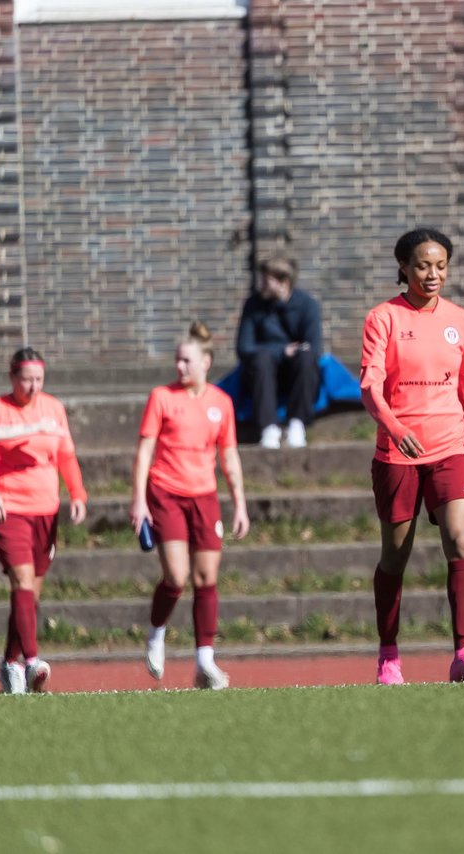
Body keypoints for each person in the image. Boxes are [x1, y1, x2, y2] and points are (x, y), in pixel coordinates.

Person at [361, 227, 464, 685]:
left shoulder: (460, 319)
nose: (432, 274)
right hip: (397, 454)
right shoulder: (383, 318)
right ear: (403, 267)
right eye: (422, 265)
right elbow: (369, 387)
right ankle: (389, 656)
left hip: (450, 446)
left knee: (460, 540)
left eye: (440, 265)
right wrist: (395, 429)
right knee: (395, 557)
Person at [131, 322, 250, 690]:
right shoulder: (161, 397)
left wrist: (240, 504)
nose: (179, 367)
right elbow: (145, 452)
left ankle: (204, 662)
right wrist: (138, 501)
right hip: (166, 494)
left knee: (207, 578)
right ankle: (156, 632)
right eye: (177, 360)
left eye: (186, 361)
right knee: (177, 577)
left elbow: (229, 458)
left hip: (204, 497)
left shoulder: (221, 403)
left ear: (206, 362)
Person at [0, 348, 87, 694]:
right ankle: (32, 661)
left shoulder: (54, 409)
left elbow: (66, 456)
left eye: (38, 380)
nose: (32, 387)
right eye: (26, 380)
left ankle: (10, 664)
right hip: (9, 507)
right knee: (22, 580)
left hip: (46, 510)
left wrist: (77, 494)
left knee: (31, 594)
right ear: (12, 377)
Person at [237, 256, 323, 449]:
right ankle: (268, 428)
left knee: (307, 357)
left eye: (267, 281)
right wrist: (282, 351)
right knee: (261, 358)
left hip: (295, 371)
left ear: (284, 283)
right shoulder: (253, 306)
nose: (261, 286)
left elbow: (315, 347)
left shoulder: (307, 305)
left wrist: (297, 352)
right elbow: (244, 347)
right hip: (263, 370)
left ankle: (297, 424)